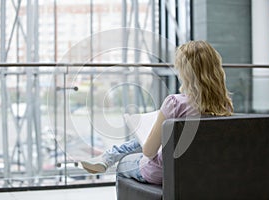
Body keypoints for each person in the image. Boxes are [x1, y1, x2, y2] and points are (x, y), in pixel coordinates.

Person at [80, 40, 234, 185]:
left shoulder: (175, 103)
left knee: (125, 164)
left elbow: (148, 151)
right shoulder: (225, 105)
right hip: (201, 170)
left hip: (163, 171)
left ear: (185, 72)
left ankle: (108, 158)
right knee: (146, 139)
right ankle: (107, 157)